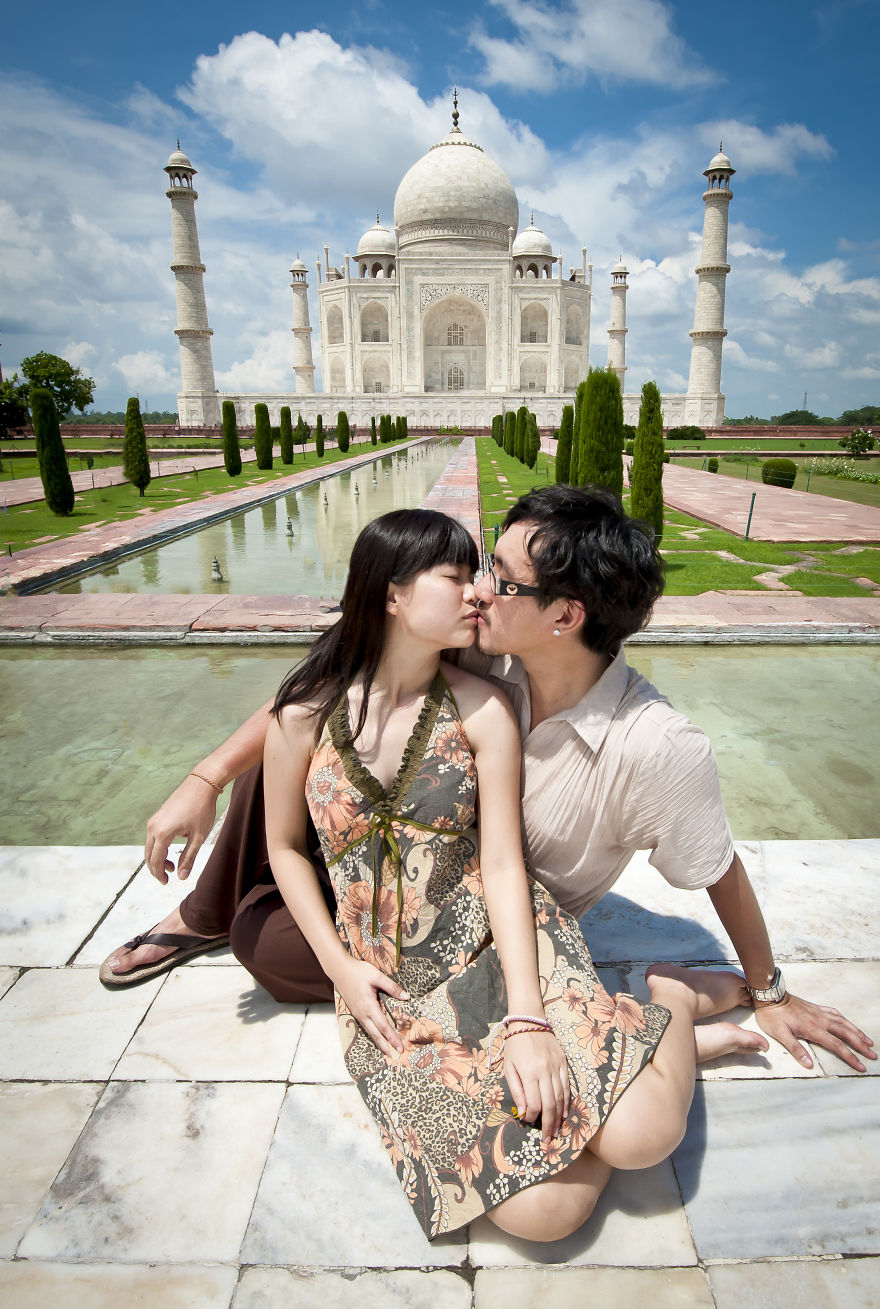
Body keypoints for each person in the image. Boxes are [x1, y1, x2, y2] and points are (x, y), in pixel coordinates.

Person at [100, 487, 875, 1081]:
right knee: (300, 759)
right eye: (476, 573)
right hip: (385, 874)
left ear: (565, 616)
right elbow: (319, 690)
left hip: (482, 930)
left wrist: (770, 989)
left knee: (271, 945)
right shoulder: (488, 651)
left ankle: (659, 1015)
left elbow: (720, 868)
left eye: (499, 578)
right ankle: (195, 912)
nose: (479, 591)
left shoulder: (653, 745)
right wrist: (203, 777)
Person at [262, 506, 753, 1240]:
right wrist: (340, 968)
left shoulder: (484, 706)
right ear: (391, 593)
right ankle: (626, 1051)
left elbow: (501, 862)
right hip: (392, 985)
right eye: (457, 575)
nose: (477, 592)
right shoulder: (304, 714)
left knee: (643, 1137)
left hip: (502, 946)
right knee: (547, 1214)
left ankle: (669, 1005)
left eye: (483, 574)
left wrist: (528, 1019)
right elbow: (286, 849)